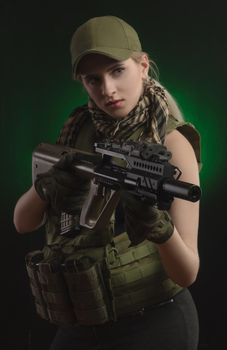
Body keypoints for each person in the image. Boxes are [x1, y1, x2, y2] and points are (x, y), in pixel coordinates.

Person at [14, 15, 201, 350]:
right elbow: (22, 222)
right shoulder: (76, 130)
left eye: (117, 70)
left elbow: (187, 272)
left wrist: (158, 228)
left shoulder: (172, 145)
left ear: (143, 66)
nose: (108, 90)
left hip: (152, 325)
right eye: (93, 79)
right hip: (80, 323)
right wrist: (46, 188)